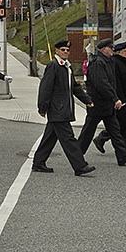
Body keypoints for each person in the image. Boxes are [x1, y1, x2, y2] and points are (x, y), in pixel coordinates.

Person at [33, 39, 96, 177]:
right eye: (63, 50)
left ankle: (38, 162)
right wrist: (42, 107)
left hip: (62, 109)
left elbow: (74, 87)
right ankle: (80, 166)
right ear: (56, 51)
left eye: (68, 50)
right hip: (58, 109)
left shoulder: (67, 67)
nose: (66, 52)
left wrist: (87, 100)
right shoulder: (53, 66)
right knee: (69, 139)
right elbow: (45, 88)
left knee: (49, 137)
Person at [77, 38, 126, 166]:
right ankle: (77, 156)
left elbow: (111, 83)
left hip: (107, 105)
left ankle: (123, 156)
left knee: (115, 131)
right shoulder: (97, 63)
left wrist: (114, 98)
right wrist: (115, 98)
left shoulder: (108, 61)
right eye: (110, 47)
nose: (112, 50)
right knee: (88, 132)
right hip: (97, 104)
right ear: (103, 49)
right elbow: (102, 84)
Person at [92, 41, 126, 159]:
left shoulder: (121, 63)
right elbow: (115, 84)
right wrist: (117, 99)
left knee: (123, 125)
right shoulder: (115, 64)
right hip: (121, 100)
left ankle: (123, 152)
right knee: (118, 125)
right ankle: (102, 140)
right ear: (119, 53)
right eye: (125, 51)